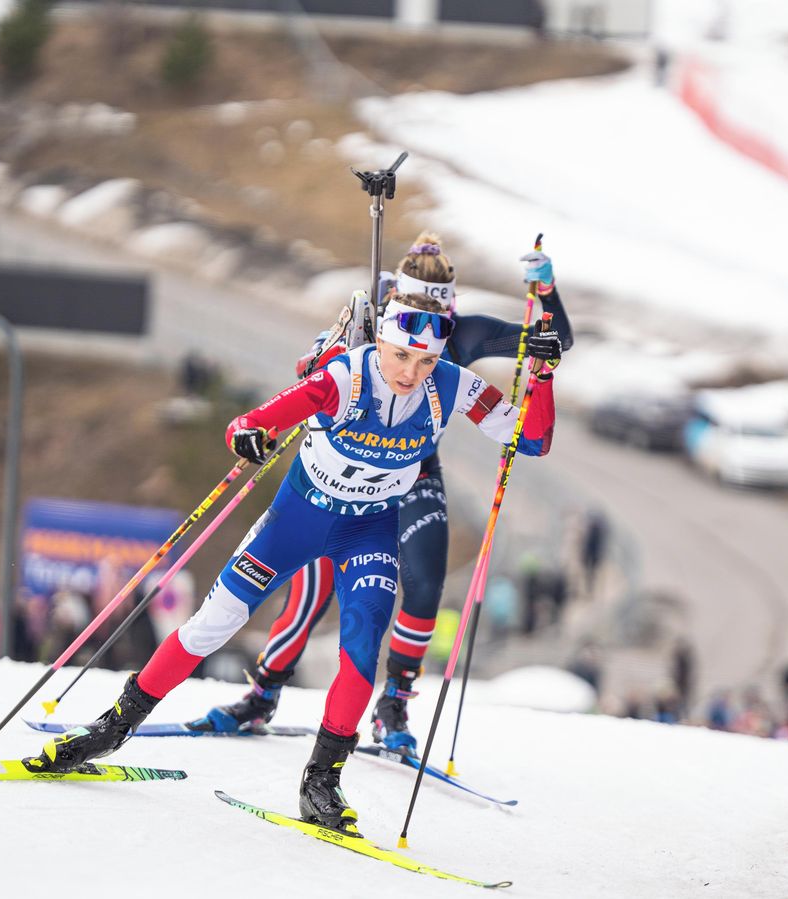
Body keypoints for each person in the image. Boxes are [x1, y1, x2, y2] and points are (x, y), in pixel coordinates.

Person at [30, 291, 563, 833]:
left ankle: (321, 780)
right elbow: (250, 422)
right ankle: (112, 727)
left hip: (368, 531)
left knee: (362, 650)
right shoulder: (343, 379)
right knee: (212, 625)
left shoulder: (453, 385)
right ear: (381, 341)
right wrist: (247, 437)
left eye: (425, 360)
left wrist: (542, 377)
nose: (411, 371)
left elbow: (532, 440)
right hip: (297, 522)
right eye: (401, 354)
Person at [197, 232, 574, 756]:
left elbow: (553, 341)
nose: (428, 327)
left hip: (415, 473)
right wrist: (329, 353)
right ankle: (263, 694)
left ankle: (393, 702)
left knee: (426, 582)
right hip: (344, 475)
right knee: (311, 589)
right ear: (396, 294)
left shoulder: (466, 333)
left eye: (441, 311)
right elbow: (310, 377)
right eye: (417, 303)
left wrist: (546, 292)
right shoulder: (371, 320)